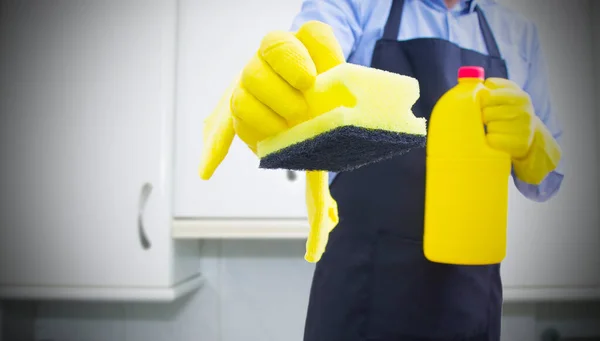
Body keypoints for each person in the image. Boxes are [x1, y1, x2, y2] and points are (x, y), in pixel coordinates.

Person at [230, 0, 564, 340]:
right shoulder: (357, 7)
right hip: (361, 291)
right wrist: (289, 76)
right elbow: (314, 52)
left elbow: (550, 181)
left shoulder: (520, 37)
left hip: (469, 298)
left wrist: (533, 142)